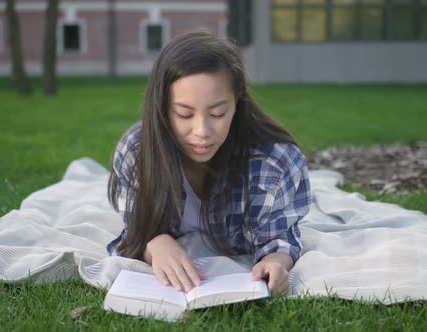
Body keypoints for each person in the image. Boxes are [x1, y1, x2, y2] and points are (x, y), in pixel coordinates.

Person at [106, 29, 312, 296]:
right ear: (161, 108)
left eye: (218, 113)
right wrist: (154, 244)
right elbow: (132, 233)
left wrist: (275, 262)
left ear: (237, 104)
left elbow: (281, 238)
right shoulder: (136, 153)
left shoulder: (275, 162)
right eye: (184, 113)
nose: (202, 131)